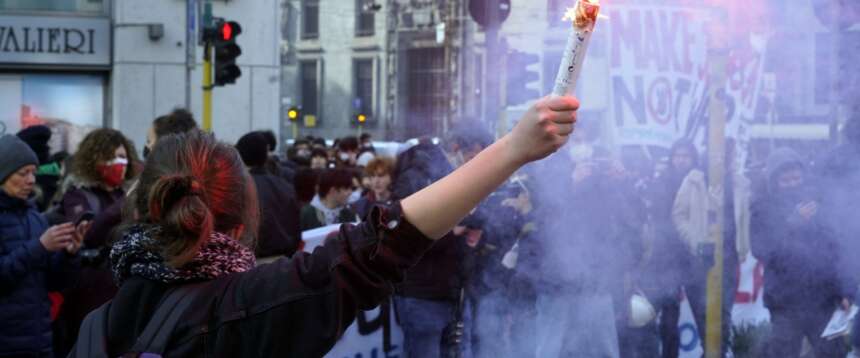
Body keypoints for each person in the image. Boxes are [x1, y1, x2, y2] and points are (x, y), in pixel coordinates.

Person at [66, 95, 580, 357]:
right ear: (248, 215)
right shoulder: (253, 306)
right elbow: (384, 242)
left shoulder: (93, 327)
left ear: (144, 205)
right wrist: (512, 151)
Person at [392, 120, 495, 358]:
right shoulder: (418, 175)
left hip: (453, 288)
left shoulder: (457, 175)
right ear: (457, 147)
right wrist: (453, 231)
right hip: (421, 291)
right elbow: (404, 233)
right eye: (475, 157)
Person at [751, 147, 853, 358]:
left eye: (797, 179)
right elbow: (762, 250)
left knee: (833, 353)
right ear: (773, 182)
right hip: (785, 301)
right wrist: (791, 223)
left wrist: (846, 290)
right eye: (786, 181)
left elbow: (838, 249)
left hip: (823, 298)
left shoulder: (820, 203)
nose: (793, 185)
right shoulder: (762, 208)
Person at [55, 128, 140, 356]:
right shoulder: (78, 194)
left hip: (124, 289)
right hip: (88, 292)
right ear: (95, 159)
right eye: (111, 157)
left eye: (123, 156)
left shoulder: (127, 194)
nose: (119, 163)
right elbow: (86, 233)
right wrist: (122, 206)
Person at [0, 135, 84, 358]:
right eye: (23, 173)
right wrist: (39, 246)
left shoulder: (36, 218)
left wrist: (69, 254)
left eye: (33, 173)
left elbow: (55, 282)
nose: (30, 180)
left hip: (40, 340)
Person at [235, 132, 302, 261]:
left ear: (240, 155)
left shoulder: (237, 189)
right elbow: (296, 228)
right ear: (265, 155)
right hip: (283, 262)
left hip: (248, 263)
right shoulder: (285, 187)